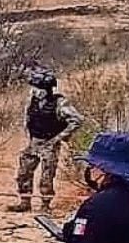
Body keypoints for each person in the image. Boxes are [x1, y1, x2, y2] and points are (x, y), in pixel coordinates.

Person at [9, 69, 83, 213]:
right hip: (34, 141)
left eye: (38, 88)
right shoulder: (33, 101)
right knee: (23, 172)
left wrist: (59, 138)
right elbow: (28, 118)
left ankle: (45, 205)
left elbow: (77, 120)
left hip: (49, 143)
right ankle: (25, 201)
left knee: (47, 175)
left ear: (46, 89)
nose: (34, 91)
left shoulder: (59, 103)